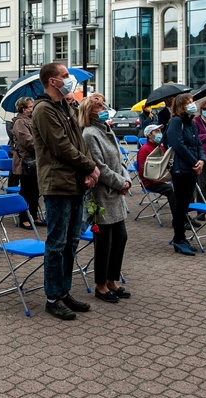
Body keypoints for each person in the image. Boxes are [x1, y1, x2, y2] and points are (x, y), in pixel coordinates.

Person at [31, 62, 99, 321]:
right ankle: (52, 297)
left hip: (74, 181)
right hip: (57, 183)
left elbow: (79, 142)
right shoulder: (44, 110)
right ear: (52, 81)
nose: (69, 79)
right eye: (64, 76)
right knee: (57, 242)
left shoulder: (64, 107)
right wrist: (91, 167)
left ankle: (64, 291)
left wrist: (88, 170)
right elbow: (60, 147)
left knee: (71, 241)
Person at [79, 94, 132, 304]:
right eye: (98, 106)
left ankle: (112, 280)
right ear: (88, 113)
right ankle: (100, 285)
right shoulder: (90, 134)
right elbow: (99, 167)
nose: (103, 108)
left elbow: (119, 162)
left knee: (121, 238)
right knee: (104, 243)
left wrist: (126, 180)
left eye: (103, 105)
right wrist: (120, 183)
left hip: (116, 193)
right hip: (102, 194)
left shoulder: (107, 130)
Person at [166, 92, 205, 257]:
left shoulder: (193, 123)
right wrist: (193, 162)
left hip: (192, 169)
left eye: (193, 102)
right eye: (190, 102)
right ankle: (178, 239)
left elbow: (198, 143)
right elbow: (178, 145)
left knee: (186, 204)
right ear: (182, 105)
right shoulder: (176, 122)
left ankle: (182, 238)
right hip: (181, 170)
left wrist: (202, 160)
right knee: (181, 206)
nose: (193, 104)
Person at [136, 124, 178, 221]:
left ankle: (184, 216)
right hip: (150, 182)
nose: (160, 133)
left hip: (163, 178)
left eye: (160, 131)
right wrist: (160, 181)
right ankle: (178, 220)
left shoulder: (161, 148)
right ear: (149, 135)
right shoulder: (144, 149)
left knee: (182, 187)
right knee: (171, 190)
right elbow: (144, 172)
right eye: (157, 131)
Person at [11, 96, 41, 229]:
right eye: (31, 107)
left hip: (36, 160)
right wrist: (43, 147)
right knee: (26, 190)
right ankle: (23, 217)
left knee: (35, 190)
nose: (33, 109)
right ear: (24, 109)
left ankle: (34, 216)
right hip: (26, 161)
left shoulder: (32, 120)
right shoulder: (20, 123)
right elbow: (28, 141)